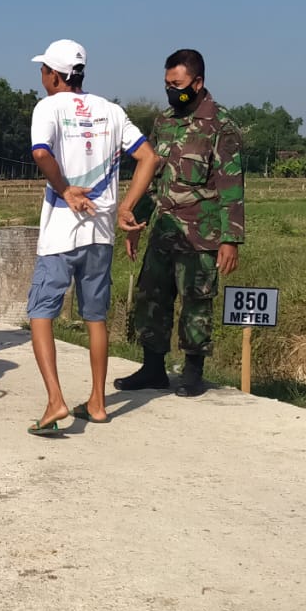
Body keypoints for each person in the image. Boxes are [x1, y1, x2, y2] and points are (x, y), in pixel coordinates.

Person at [25, 40, 158, 434]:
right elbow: (148, 157)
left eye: (44, 70)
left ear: (54, 74)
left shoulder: (48, 107)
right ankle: (98, 403)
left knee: (41, 313)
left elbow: (40, 153)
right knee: (95, 317)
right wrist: (126, 206)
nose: (42, 76)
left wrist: (66, 190)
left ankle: (55, 401)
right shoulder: (112, 111)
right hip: (101, 234)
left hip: (61, 233)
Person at [116, 48, 244, 397]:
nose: (172, 90)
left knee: (196, 302)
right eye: (167, 84)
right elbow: (152, 176)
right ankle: (153, 368)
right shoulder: (164, 122)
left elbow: (231, 185)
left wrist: (230, 240)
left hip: (200, 235)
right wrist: (136, 222)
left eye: (178, 84)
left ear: (198, 82)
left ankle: (192, 372)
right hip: (163, 228)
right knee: (150, 297)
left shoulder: (221, 125)